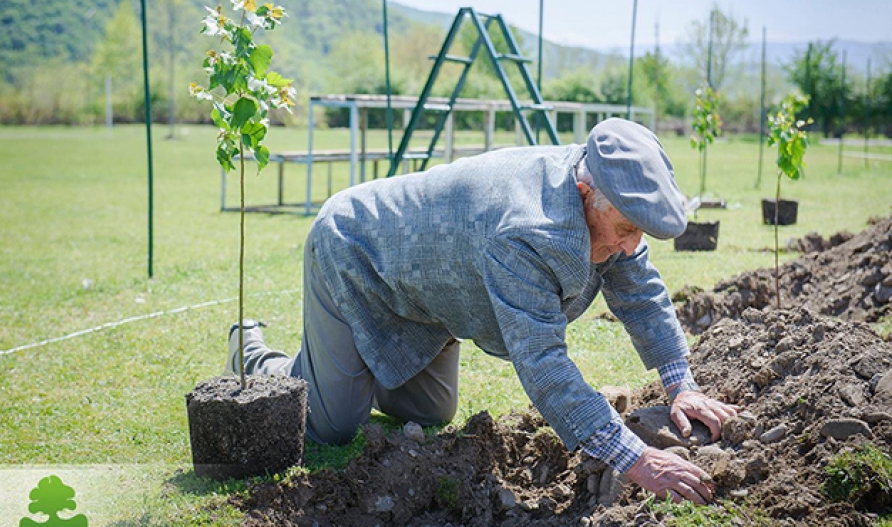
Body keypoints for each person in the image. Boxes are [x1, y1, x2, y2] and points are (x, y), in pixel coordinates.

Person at [225, 118, 738, 504]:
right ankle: (254, 355)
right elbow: (543, 364)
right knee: (333, 426)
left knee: (429, 413)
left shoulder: (608, 202)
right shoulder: (527, 231)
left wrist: (681, 385)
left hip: (428, 296)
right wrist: (638, 459)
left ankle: (346, 365)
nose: (632, 246)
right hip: (357, 255)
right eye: (627, 230)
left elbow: (642, 292)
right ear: (585, 195)